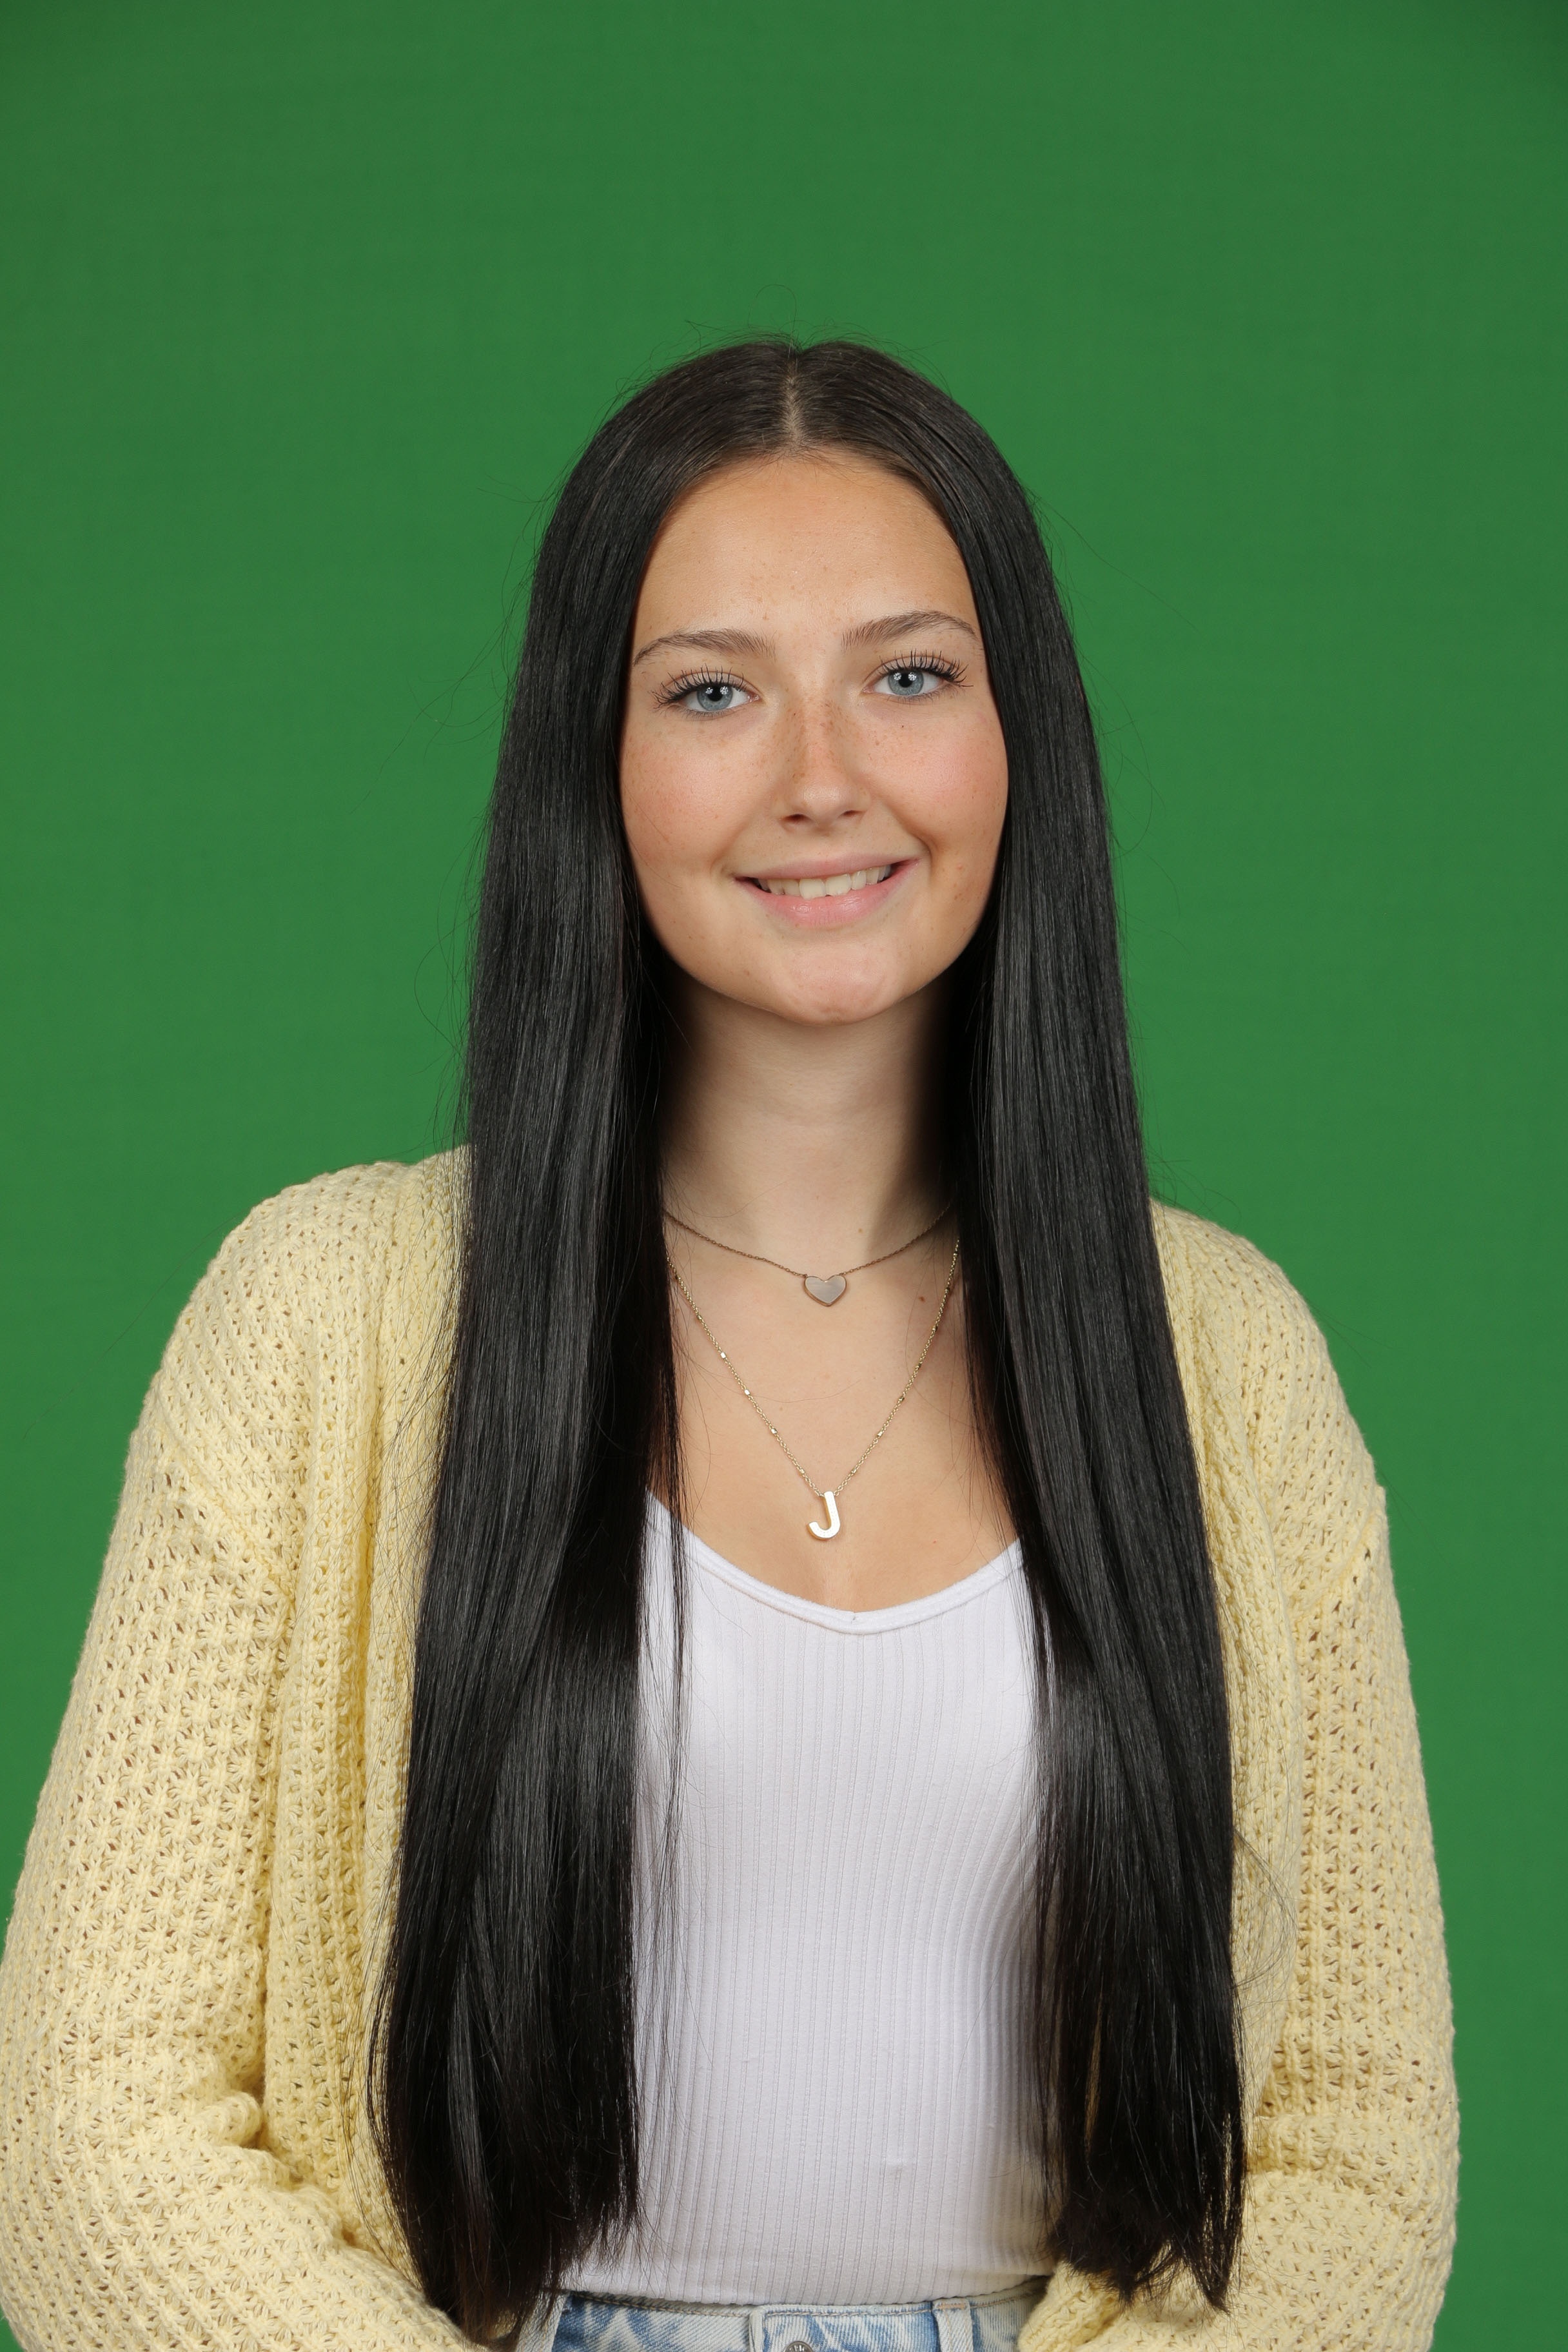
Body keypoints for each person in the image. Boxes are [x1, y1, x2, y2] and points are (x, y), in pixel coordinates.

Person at [0, 340, 1457, 2352]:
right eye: (711, 692)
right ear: (593, 764)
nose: (822, 776)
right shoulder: (322, 1323)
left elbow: (1352, 2147)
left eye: (909, 675)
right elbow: (92, 2122)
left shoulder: (1231, 1363)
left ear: (1020, 734)